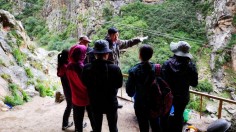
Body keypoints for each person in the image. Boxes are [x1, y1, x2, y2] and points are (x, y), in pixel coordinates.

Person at [82, 40, 123, 132]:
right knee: (113, 127)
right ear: (107, 54)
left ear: (95, 54)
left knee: (97, 128)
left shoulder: (87, 68)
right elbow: (119, 84)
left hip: (95, 102)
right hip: (111, 102)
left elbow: (84, 83)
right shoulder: (115, 68)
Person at [106, 27, 148, 108]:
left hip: (116, 69)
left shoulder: (116, 43)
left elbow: (128, 43)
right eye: (115, 35)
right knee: (109, 88)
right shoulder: (105, 44)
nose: (117, 37)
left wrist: (139, 39)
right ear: (110, 35)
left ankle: (113, 102)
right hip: (108, 71)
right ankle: (109, 104)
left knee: (115, 88)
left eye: (117, 35)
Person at [161, 41, 198, 132]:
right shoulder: (191, 66)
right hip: (182, 97)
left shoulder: (167, 64)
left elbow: (161, 81)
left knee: (164, 115)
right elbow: (194, 83)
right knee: (178, 116)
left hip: (167, 95)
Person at [126, 45, 161, 132]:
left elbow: (130, 92)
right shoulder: (158, 68)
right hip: (155, 103)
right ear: (151, 55)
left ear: (140, 55)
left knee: (143, 126)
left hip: (140, 104)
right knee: (156, 126)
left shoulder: (134, 70)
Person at [66, 45, 95, 132]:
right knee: (92, 116)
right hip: (87, 97)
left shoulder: (69, 66)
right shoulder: (82, 68)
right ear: (80, 55)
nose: (85, 55)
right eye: (84, 53)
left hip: (76, 97)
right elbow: (87, 84)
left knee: (78, 119)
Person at [57, 49, 73, 130]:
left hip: (67, 90)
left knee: (70, 106)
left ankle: (65, 123)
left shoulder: (62, 65)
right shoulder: (65, 67)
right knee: (69, 106)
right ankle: (65, 124)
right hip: (69, 90)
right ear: (68, 56)